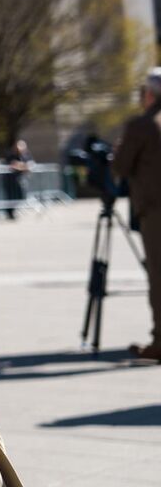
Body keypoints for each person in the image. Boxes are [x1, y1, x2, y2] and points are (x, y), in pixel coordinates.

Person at [113, 67, 161, 361]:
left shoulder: (142, 125)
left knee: (158, 275)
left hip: (155, 211)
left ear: (150, 95)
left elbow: (120, 166)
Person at [1, 139, 34, 219]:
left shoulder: (26, 155)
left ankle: (14, 211)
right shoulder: (11, 155)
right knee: (10, 197)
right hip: (9, 180)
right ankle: (10, 213)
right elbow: (13, 165)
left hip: (19, 181)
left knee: (20, 196)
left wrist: (22, 166)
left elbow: (30, 164)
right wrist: (23, 166)